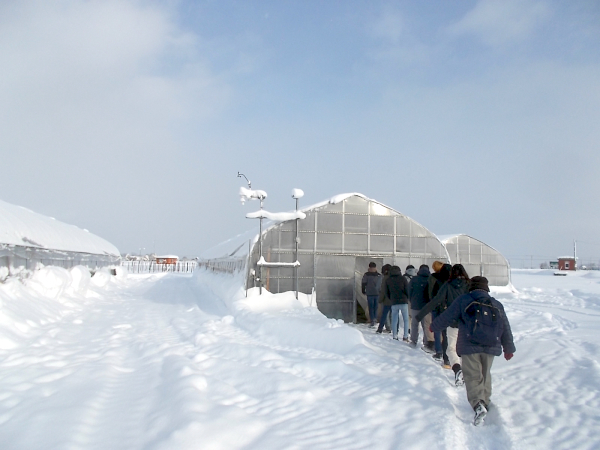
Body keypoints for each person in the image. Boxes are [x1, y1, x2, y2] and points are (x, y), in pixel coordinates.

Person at [430, 276, 516, 426]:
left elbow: (448, 316)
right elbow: (505, 327)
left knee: (472, 374)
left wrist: (434, 326)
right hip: (490, 345)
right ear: (486, 288)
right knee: (485, 373)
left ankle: (478, 404)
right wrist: (508, 348)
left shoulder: (464, 300)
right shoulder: (496, 304)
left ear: (471, 287)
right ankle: (485, 400)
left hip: (470, 344)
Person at [417, 264, 470, 385]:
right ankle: (466, 371)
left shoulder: (448, 285)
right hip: (467, 322)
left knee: (451, 347)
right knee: (465, 347)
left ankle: (454, 367)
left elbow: (436, 300)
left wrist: (420, 315)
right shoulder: (469, 284)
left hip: (453, 321)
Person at [427, 263, 452, 365]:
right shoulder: (452, 282)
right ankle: (448, 354)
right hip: (449, 310)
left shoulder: (437, 280)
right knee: (447, 333)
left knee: (437, 330)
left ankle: (439, 351)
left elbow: (433, 294)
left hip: (437, 308)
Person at [408, 264, 435, 352]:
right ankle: (427, 342)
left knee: (415, 324)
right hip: (426, 307)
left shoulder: (414, 279)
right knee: (426, 325)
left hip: (415, 305)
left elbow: (409, 291)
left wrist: (412, 299)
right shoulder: (430, 279)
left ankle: (413, 341)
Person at [380, 265, 410, 341]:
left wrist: (391, 298)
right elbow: (407, 290)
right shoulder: (403, 279)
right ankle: (405, 336)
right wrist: (407, 297)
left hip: (394, 302)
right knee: (406, 320)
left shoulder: (388, 280)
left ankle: (395, 336)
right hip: (403, 301)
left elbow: (386, 292)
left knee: (394, 320)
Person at [362, 262, 382, 327]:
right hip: (377, 293)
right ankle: (375, 319)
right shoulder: (378, 275)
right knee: (375, 307)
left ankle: (372, 319)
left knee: (371, 307)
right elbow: (381, 285)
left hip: (369, 293)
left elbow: (364, 283)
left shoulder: (366, 275)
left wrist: (363, 290)